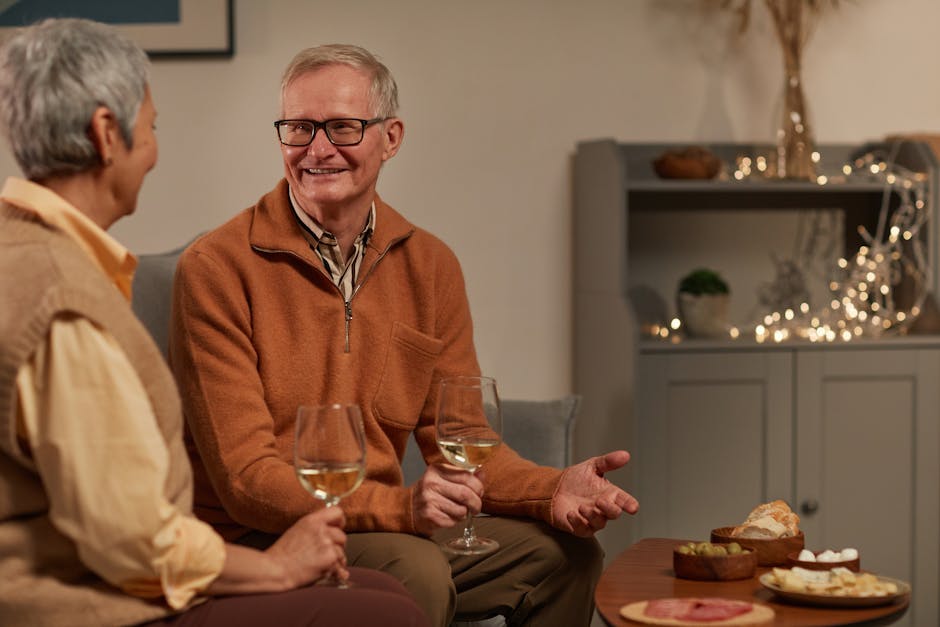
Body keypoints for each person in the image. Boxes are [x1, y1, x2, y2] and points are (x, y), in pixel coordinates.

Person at [169, 43, 639, 627]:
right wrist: (400, 508)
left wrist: (551, 490)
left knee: (564, 555)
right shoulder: (215, 267)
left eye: (342, 127)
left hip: (385, 524)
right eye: (298, 129)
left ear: (390, 138)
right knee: (415, 566)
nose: (318, 149)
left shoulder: (431, 266)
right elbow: (246, 480)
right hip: (261, 540)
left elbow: (461, 440)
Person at [0, 19, 430, 627]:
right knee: (388, 614)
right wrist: (276, 568)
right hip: (83, 601)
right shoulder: (60, 300)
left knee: (386, 596)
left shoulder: (20, 253)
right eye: (150, 128)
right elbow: (131, 538)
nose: (153, 151)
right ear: (106, 135)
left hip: (105, 574)